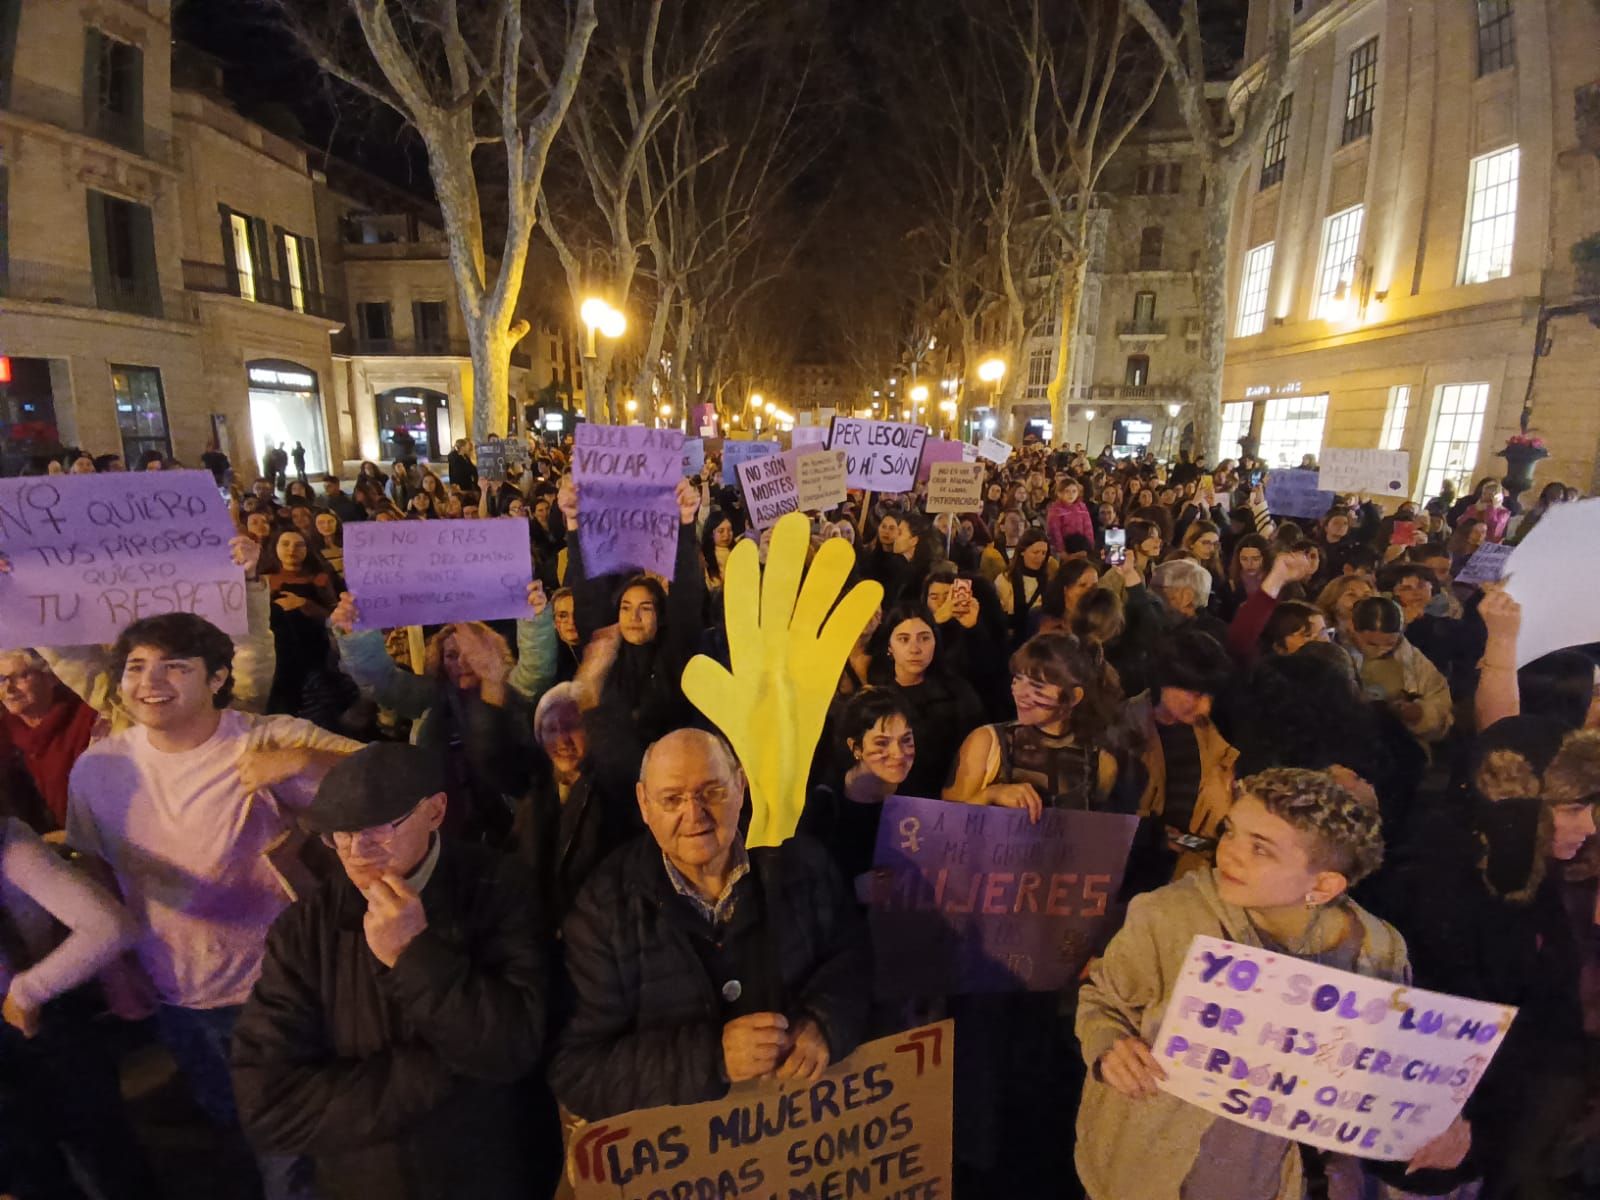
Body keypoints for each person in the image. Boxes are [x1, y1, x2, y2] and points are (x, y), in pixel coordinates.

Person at [65, 612, 361, 1200]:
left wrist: (304, 764)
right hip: (176, 992)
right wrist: (115, 965)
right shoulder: (98, 768)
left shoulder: (267, 738)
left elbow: (397, 779)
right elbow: (95, 866)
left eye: (176, 666)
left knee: (287, 1146)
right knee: (230, 1120)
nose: (152, 681)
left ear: (219, 677)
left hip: (277, 989)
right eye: (137, 667)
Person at [1074, 768, 1464, 1200]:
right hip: (1152, 1170)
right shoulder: (1170, 918)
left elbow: (1379, 1071)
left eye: (1260, 849)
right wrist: (1109, 1044)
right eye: (1231, 831)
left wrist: (1429, 1119)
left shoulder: (1379, 950)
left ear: (1323, 884)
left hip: (1277, 1179)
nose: (1229, 854)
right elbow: (1101, 999)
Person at [230, 744, 552, 1200]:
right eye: (339, 835)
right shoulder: (307, 930)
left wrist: (413, 955)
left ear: (435, 811)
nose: (357, 852)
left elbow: (511, 1047)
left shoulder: (499, 887)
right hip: (367, 1182)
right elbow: (269, 1106)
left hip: (489, 1173)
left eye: (377, 828)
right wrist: (441, 1071)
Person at [549, 729, 870, 1119]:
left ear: (740, 785)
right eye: (672, 800)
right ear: (644, 804)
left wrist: (825, 1024)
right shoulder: (602, 911)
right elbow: (578, 1071)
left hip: (798, 1138)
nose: (694, 814)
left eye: (711, 792)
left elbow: (855, 961)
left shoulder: (802, 864)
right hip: (689, 1165)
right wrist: (712, 1058)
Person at [1374, 718, 1599, 1198]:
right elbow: (1433, 1025)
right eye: (1572, 807)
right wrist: (1456, 1117)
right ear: (1515, 808)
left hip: (1513, 1120)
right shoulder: (1437, 889)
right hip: (1442, 1135)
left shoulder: (1538, 879)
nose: (1589, 826)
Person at [0, 814, 157, 1200]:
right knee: (29, 1171)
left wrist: (28, 992)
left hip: (39, 1027)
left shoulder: (11, 847)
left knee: (105, 1157)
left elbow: (112, 926)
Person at [944, 632, 1121, 817]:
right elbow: (943, 824)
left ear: (1074, 697)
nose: (1019, 693)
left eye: (1037, 686)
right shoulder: (986, 744)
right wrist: (990, 795)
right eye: (1018, 679)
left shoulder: (1101, 764)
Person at [800, 687, 916, 903]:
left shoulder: (919, 795)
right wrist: (853, 890)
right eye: (882, 743)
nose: (898, 753)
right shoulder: (825, 805)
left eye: (906, 739)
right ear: (856, 748)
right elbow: (804, 887)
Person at [870, 603, 984, 799]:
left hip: (950, 799)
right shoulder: (875, 698)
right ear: (889, 647)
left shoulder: (958, 692)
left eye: (924, 638)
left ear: (935, 642)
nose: (915, 649)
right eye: (903, 639)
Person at [0, 649, 100, 831]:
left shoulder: (87, 719)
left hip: (86, 841)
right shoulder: (5, 730)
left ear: (51, 678)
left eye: (22, 676)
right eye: (1, 679)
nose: (8, 689)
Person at [1346, 595, 1453, 747]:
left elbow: (1440, 703)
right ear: (1352, 628)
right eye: (1371, 644)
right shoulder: (1336, 653)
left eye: (1389, 644)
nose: (1381, 651)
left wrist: (1418, 714)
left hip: (1401, 746)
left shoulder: (1413, 659)